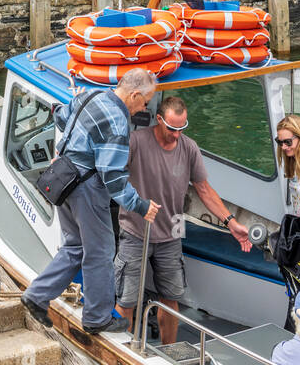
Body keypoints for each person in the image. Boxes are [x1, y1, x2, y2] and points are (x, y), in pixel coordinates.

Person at [22, 68, 161, 334]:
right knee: (100, 252)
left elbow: (61, 116)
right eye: (145, 102)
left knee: (74, 247)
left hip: (63, 179)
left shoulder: (90, 96)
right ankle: (97, 318)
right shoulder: (119, 124)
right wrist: (141, 206)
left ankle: (37, 295)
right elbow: (113, 178)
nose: (143, 108)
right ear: (133, 95)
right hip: (87, 189)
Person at [115, 95, 250, 343]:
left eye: (182, 128)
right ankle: (121, 352)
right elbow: (112, 176)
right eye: (172, 128)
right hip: (135, 231)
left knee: (171, 299)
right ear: (158, 120)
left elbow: (204, 189)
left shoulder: (189, 148)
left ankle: (169, 353)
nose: (177, 135)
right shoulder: (135, 142)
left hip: (172, 233)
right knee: (126, 300)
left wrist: (231, 222)